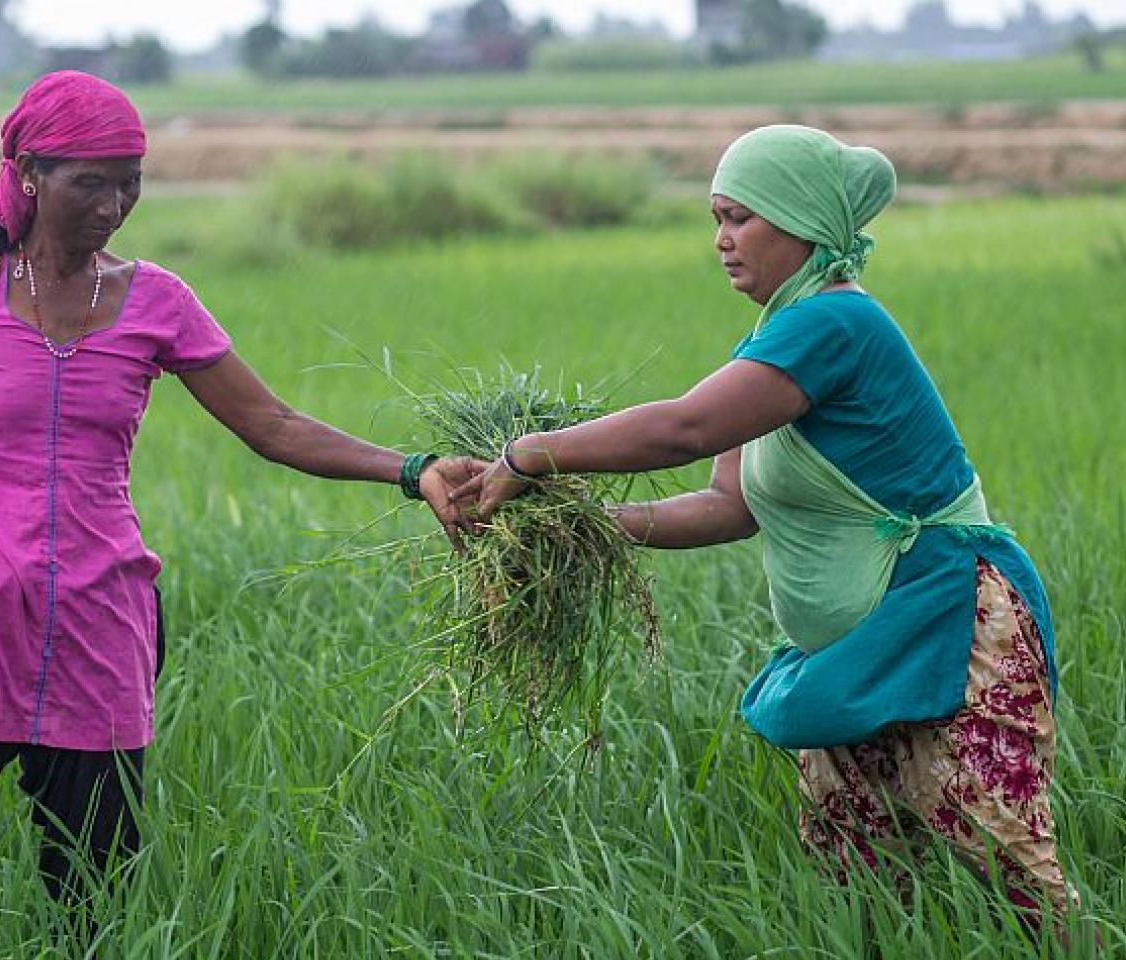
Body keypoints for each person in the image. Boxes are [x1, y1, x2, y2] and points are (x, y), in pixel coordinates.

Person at [0, 71, 477, 925]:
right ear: (27, 175)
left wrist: (412, 469)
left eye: (130, 179)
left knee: (94, 885)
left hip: (102, 607)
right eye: (90, 181)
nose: (115, 201)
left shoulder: (158, 300)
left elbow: (272, 424)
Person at [453, 125, 1078, 928]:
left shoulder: (834, 327)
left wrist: (531, 454)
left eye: (740, 217)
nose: (720, 240)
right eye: (714, 218)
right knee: (859, 879)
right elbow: (727, 506)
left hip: (950, 624)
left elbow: (685, 430)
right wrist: (586, 528)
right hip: (858, 652)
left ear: (804, 220)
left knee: (1007, 873)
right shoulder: (774, 340)